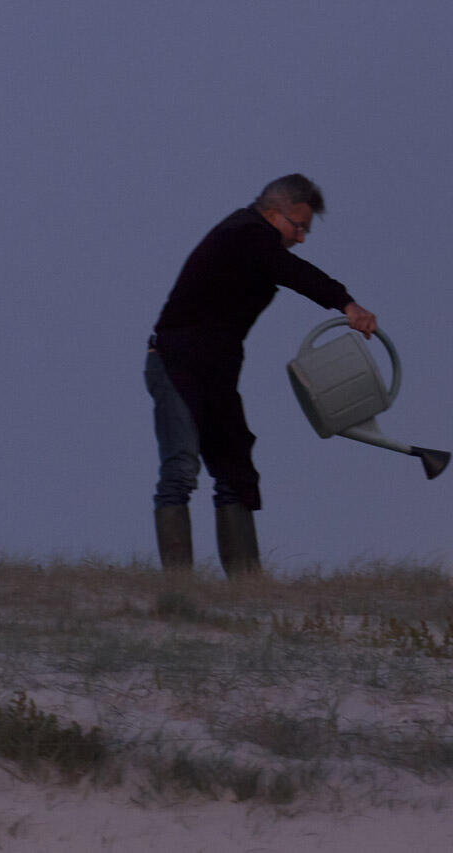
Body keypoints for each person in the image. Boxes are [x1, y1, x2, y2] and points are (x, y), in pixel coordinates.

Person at [145, 174, 377, 577]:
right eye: (298, 226)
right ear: (273, 214)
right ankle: (178, 588)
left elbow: (283, 266)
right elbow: (293, 271)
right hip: (176, 363)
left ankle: (246, 590)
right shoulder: (245, 235)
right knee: (181, 469)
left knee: (236, 474)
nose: (301, 237)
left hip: (217, 373)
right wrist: (346, 303)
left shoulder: (253, 239)